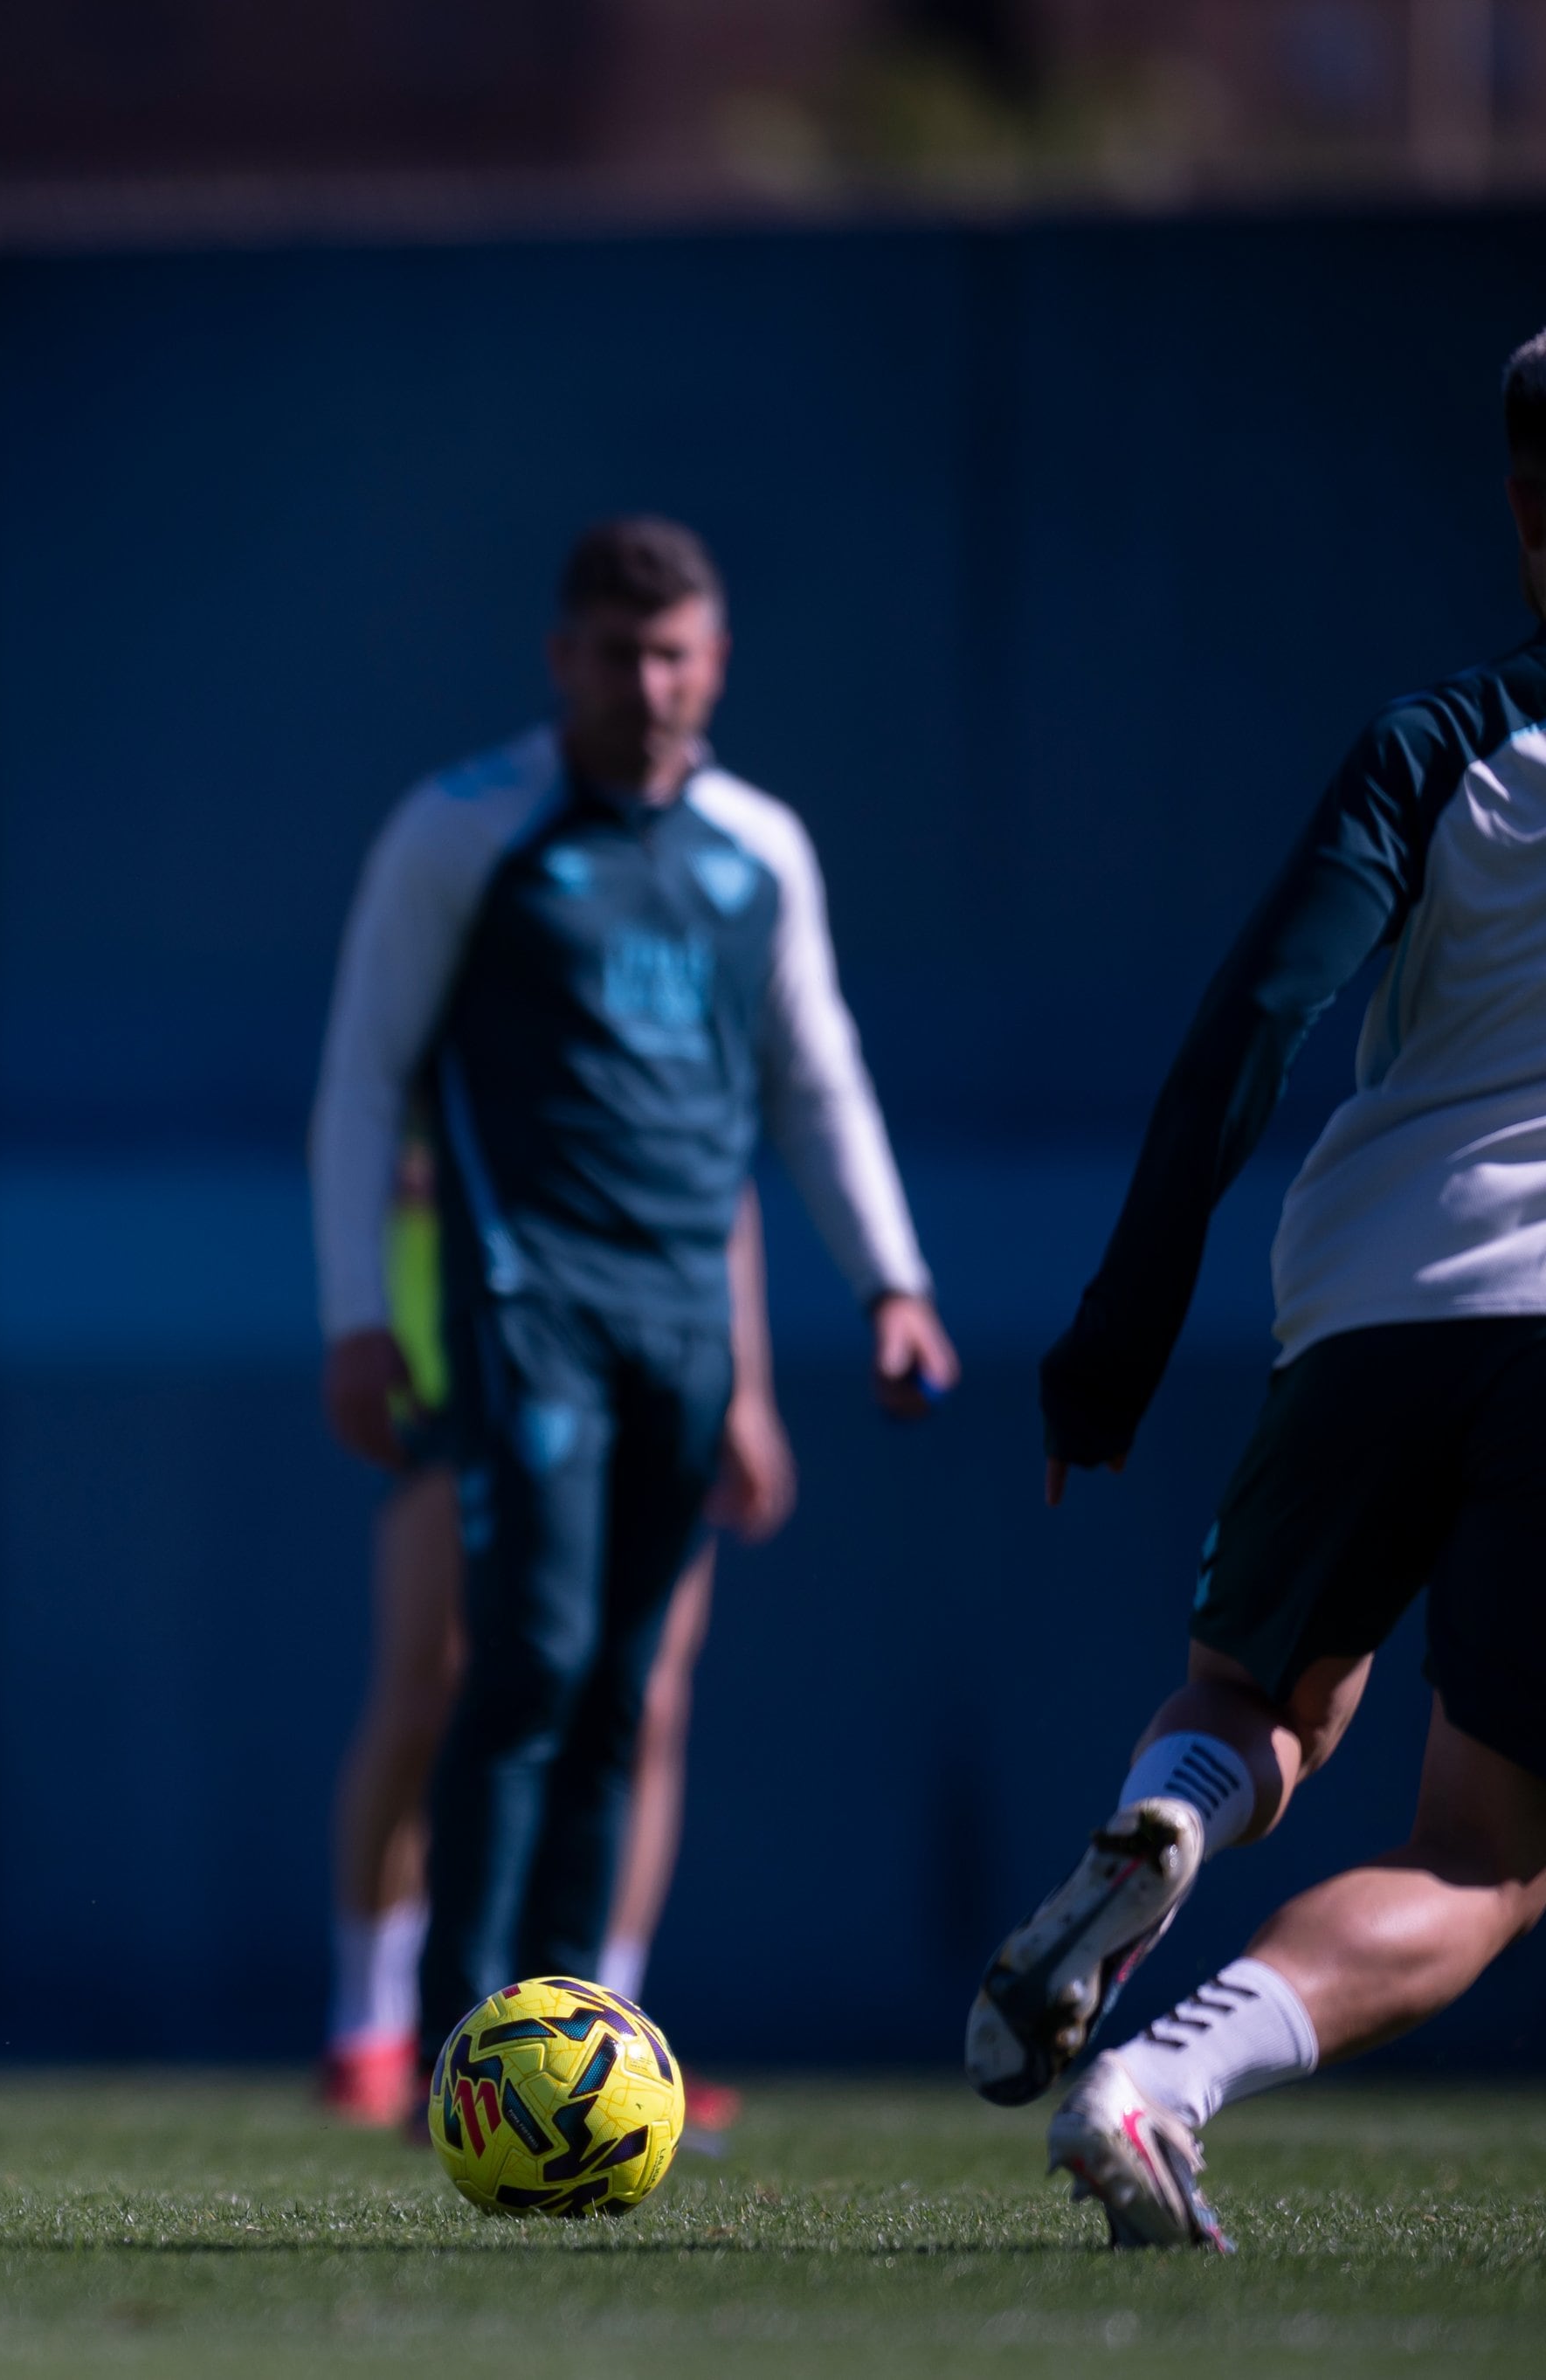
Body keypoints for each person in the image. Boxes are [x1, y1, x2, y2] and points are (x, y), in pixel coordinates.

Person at [966, 329, 1546, 2252]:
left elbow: (1255, 1026)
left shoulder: (1437, 741)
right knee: (1482, 1855)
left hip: (1376, 1301)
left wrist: (1107, 1354)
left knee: (1254, 1691)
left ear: (1524, 512)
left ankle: (1171, 1821)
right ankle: (1156, 2079)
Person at [311, 515, 954, 2069]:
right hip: (526, 1304)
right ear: (563, 660)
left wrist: (891, 1279)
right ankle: (460, 2037)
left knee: (624, 1690)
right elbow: (361, 1078)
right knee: (518, 1657)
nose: (647, 685)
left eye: (674, 655)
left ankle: (574, 2040)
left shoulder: (758, 852)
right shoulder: (468, 830)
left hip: (684, 1326)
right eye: (617, 654)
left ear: (717, 664)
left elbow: (812, 1082)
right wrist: (356, 1315)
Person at [316, 1149, 790, 2130]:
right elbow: (378, 1136)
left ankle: (607, 2035)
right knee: (434, 1692)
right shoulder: (465, 998)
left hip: (663, 1363)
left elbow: (720, 1175)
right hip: (479, 1360)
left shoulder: (709, 1012)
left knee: (644, 1703)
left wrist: (745, 1383)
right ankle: (373, 2026)